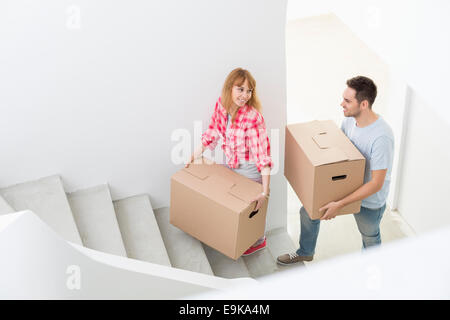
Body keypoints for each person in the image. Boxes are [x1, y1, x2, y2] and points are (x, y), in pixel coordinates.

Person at [277, 76, 394, 265]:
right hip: (346, 185)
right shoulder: (349, 121)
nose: (342, 104)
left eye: (347, 101)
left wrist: (339, 204)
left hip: (370, 199)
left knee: (370, 237)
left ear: (364, 104)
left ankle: (371, 270)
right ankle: (305, 251)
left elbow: (376, 183)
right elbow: (339, 155)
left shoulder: (381, 137)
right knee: (308, 211)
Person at [186, 67, 273, 257]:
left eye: (249, 91)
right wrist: (194, 154)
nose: (245, 95)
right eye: (240, 89)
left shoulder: (253, 118)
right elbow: (213, 131)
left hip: (250, 170)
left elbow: (263, 156)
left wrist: (264, 192)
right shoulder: (222, 105)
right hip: (231, 164)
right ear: (229, 88)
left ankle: (259, 240)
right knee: (224, 198)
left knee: (251, 207)